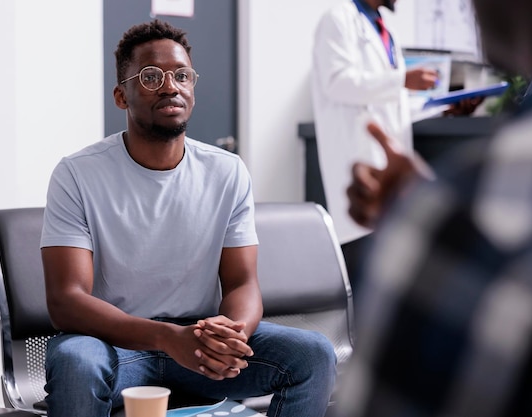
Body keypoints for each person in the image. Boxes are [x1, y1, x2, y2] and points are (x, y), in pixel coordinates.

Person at [40, 19, 336, 417]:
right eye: (150, 76)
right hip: (113, 343)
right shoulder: (77, 173)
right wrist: (166, 337)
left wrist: (231, 336)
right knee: (76, 362)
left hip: (198, 338)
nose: (170, 85)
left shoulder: (227, 171)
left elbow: (243, 282)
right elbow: (67, 302)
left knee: (313, 354)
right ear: (121, 96)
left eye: (182, 75)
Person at [336, 0, 532, 415]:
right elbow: (342, 83)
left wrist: (433, 218)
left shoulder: (468, 217)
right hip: (365, 157)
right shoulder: (337, 20)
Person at [310, 0, 439, 292]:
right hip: (358, 157)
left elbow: (393, 101)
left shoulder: (382, 29)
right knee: (361, 266)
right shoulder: (338, 19)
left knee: (386, 268)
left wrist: (444, 106)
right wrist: (402, 79)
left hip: (387, 162)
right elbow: (337, 81)